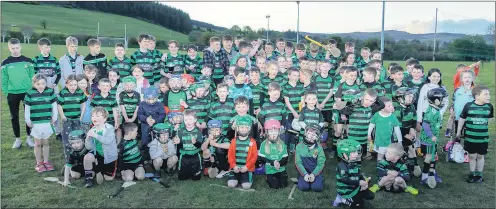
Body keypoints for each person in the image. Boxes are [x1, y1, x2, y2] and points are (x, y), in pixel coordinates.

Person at [2, 38, 35, 149]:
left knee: (28, 116)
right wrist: (7, 92)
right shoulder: (5, 63)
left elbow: (32, 76)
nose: (15, 50)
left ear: (20, 47)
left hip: (27, 92)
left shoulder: (28, 60)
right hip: (12, 93)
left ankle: (29, 138)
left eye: (17, 48)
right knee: (14, 117)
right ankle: (17, 139)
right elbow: (4, 79)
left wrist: (31, 90)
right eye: (12, 48)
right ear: (9, 48)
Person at [457, 85, 493, 183]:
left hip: (483, 138)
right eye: (486, 94)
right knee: (472, 156)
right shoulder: (468, 106)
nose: (489, 96)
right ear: (477, 96)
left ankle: (479, 174)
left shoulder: (489, 107)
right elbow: (462, 119)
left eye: (489, 94)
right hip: (470, 137)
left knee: (481, 156)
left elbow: (489, 119)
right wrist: (458, 131)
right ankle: (472, 173)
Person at [339, 89, 384, 163]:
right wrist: (353, 100)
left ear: (374, 101)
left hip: (363, 139)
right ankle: (349, 171)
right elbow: (341, 110)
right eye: (366, 99)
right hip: (352, 139)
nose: (368, 102)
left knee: (360, 156)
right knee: (351, 157)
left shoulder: (371, 108)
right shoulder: (354, 107)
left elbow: (382, 105)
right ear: (362, 97)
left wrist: (376, 96)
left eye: (371, 101)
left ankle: (357, 171)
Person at [24, 74, 58, 172]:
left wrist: (54, 117)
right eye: (38, 84)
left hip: (47, 122)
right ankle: (39, 162)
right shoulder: (30, 93)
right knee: (38, 144)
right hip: (36, 123)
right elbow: (27, 108)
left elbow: (54, 105)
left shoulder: (50, 92)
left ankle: (46, 162)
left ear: (46, 83)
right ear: (34, 83)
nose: (40, 86)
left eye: (43, 83)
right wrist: (28, 120)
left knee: (46, 143)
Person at [419, 88, 448, 188]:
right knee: (428, 157)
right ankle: (424, 176)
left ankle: (431, 174)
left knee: (433, 156)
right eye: (442, 99)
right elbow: (425, 125)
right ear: (436, 100)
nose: (444, 101)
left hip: (433, 138)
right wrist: (431, 136)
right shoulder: (431, 111)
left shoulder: (436, 109)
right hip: (428, 139)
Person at [83, 107, 118, 188]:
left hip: (109, 156)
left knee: (108, 178)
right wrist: (88, 139)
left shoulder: (109, 128)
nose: (94, 118)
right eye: (93, 116)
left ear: (105, 118)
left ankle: (100, 170)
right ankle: (89, 179)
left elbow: (108, 141)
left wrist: (95, 135)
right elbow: (88, 147)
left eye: (98, 116)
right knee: (87, 157)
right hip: (98, 154)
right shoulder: (93, 129)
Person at [333, 139, 374, 208]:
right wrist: (359, 182)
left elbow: (357, 174)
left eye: (356, 151)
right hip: (346, 191)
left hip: (354, 187)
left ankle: (356, 198)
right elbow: (344, 179)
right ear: (344, 155)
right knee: (358, 205)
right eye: (353, 152)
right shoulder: (342, 166)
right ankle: (342, 198)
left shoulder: (353, 162)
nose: (356, 154)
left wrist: (364, 179)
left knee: (370, 195)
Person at [57, 74, 88, 165]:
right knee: (67, 140)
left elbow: (83, 104)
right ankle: (68, 161)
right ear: (66, 85)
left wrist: (81, 116)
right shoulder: (63, 92)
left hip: (77, 119)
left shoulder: (80, 92)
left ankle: (80, 160)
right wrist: (62, 116)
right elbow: (59, 105)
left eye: (75, 85)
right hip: (67, 120)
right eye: (70, 85)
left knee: (79, 139)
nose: (73, 87)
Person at [392, 87, 421, 177]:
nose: (410, 98)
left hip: (408, 131)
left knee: (411, 148)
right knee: (399, 151)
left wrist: (412, 129)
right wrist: (406, 135)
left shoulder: (412, 107)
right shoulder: (398, 109)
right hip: (399, 133)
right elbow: (398, 127)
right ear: (400, 98)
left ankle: (413, 166)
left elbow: (414, 120)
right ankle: (398, 167)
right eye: (408, 96)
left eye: (411, 96)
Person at [227, 117, 258, 190]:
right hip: (235, 168)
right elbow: (230, 155)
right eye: (241, 127)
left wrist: (247, 167)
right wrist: (233, 166)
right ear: (237, 128)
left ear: (249, 129)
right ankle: (236, 177)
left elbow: (254, 156)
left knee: (246, 186)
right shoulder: (234, 141)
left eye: (246, 128)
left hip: (247, 168)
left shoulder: (252, 142)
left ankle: (245, 178)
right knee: (231, 185)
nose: (243, 130)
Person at [368, 97, 402, 162]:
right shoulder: (377, 115)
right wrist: (369, 134)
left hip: (389, 143)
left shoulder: (393, 117)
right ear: (382, 108)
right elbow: (371, 125)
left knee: (390, 156)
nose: (392, 107)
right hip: (379, 142)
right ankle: (380, 169)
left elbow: (397, 129)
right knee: (380, 156)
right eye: (389, 106)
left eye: (391, 105)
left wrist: (400, 141)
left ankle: (388, 169)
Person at [173, 109, 204, 181]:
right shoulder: (181, 131)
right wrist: (178, 143)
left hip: (195, 155)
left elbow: (200, 145)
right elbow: (179, 145)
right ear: (183, 120)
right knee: (181, 178)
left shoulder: (198, 131)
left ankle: (195, 172)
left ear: (195, 120)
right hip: (184, 155)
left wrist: (195, 143)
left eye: (190, 119)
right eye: (186, 120)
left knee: (196, 178)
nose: (188, 122)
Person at [295, 123, 326, 192]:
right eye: (310, 132)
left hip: (315, 170)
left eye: (315, 134)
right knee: (303, 187)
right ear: (305, 133)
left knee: (317, 188)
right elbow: (298, 162)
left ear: (318, 137)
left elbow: (321, 163)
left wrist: (313, 174)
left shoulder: (319, 148)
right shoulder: (299, 146)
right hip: (304, 170)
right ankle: (301, 177)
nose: (312, 135)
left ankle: (320, 177)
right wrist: (305, 174)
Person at [258, 120, 289, 189]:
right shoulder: (263, 144)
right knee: (274, 186)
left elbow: (285, 159)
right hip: (270, 170)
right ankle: (267, 177)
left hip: (280, 169)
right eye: (271, 131)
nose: (274, 134)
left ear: (279, 132)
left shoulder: (282, 144)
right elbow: (261, 158)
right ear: (267, 132)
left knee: (283, 185)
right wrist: (273, 162)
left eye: (275, 131)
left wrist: (279, 163)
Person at [445, 70, 475, 137]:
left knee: (468, 135)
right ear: (461, 79)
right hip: (458, 116)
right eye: (465, 77)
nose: (467, 79)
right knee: (458, 134)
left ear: (473, 78)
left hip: (470, 117)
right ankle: (458, 145)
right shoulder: (457, 90)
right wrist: (451, 108)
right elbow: (453, 101)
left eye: (469, 77)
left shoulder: (474, 91)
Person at [90, 78, 120, 143]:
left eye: (107, 86)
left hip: (110, 121)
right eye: (103, 86)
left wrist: (116, 121)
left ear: (110, 87)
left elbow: (114, 110)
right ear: (99, 87)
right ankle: (100, 151)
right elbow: (92, 110)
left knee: (110, 136)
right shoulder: (95, 98)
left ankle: (112, 149)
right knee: (100, 136)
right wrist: (93, 120)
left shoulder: (112, 98)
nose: (105, 87)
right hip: (99, 122)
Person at [282, 67, 305, 153]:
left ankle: (292, 147)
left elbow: (302, 100)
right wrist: (294, 112)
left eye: (298, 76)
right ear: (289, 76)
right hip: (289, 112)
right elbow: (287, 102)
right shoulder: (286, 87)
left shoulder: (300, 86)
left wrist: (301, 112)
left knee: (296, 130)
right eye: (294, 75)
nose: (296, 77)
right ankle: (284, 147)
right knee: (288, 129)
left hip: (299, 112)